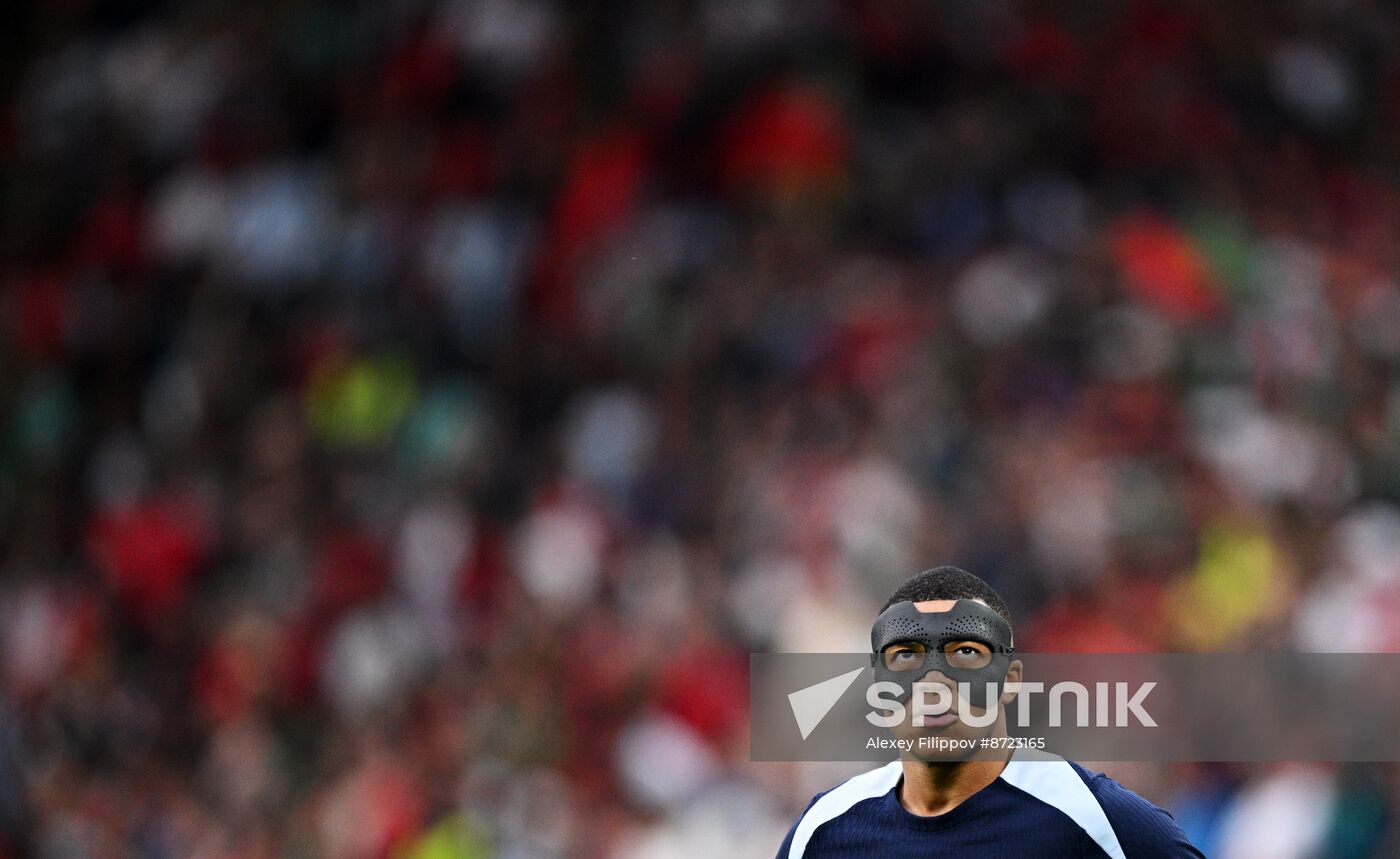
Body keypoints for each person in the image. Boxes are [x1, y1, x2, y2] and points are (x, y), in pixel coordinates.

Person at [776, 566, 1205, 858]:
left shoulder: (1096, 821)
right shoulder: (825, 833)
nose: (933, 683)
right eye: (906, 656)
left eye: (964, 653)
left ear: (1010, 680)